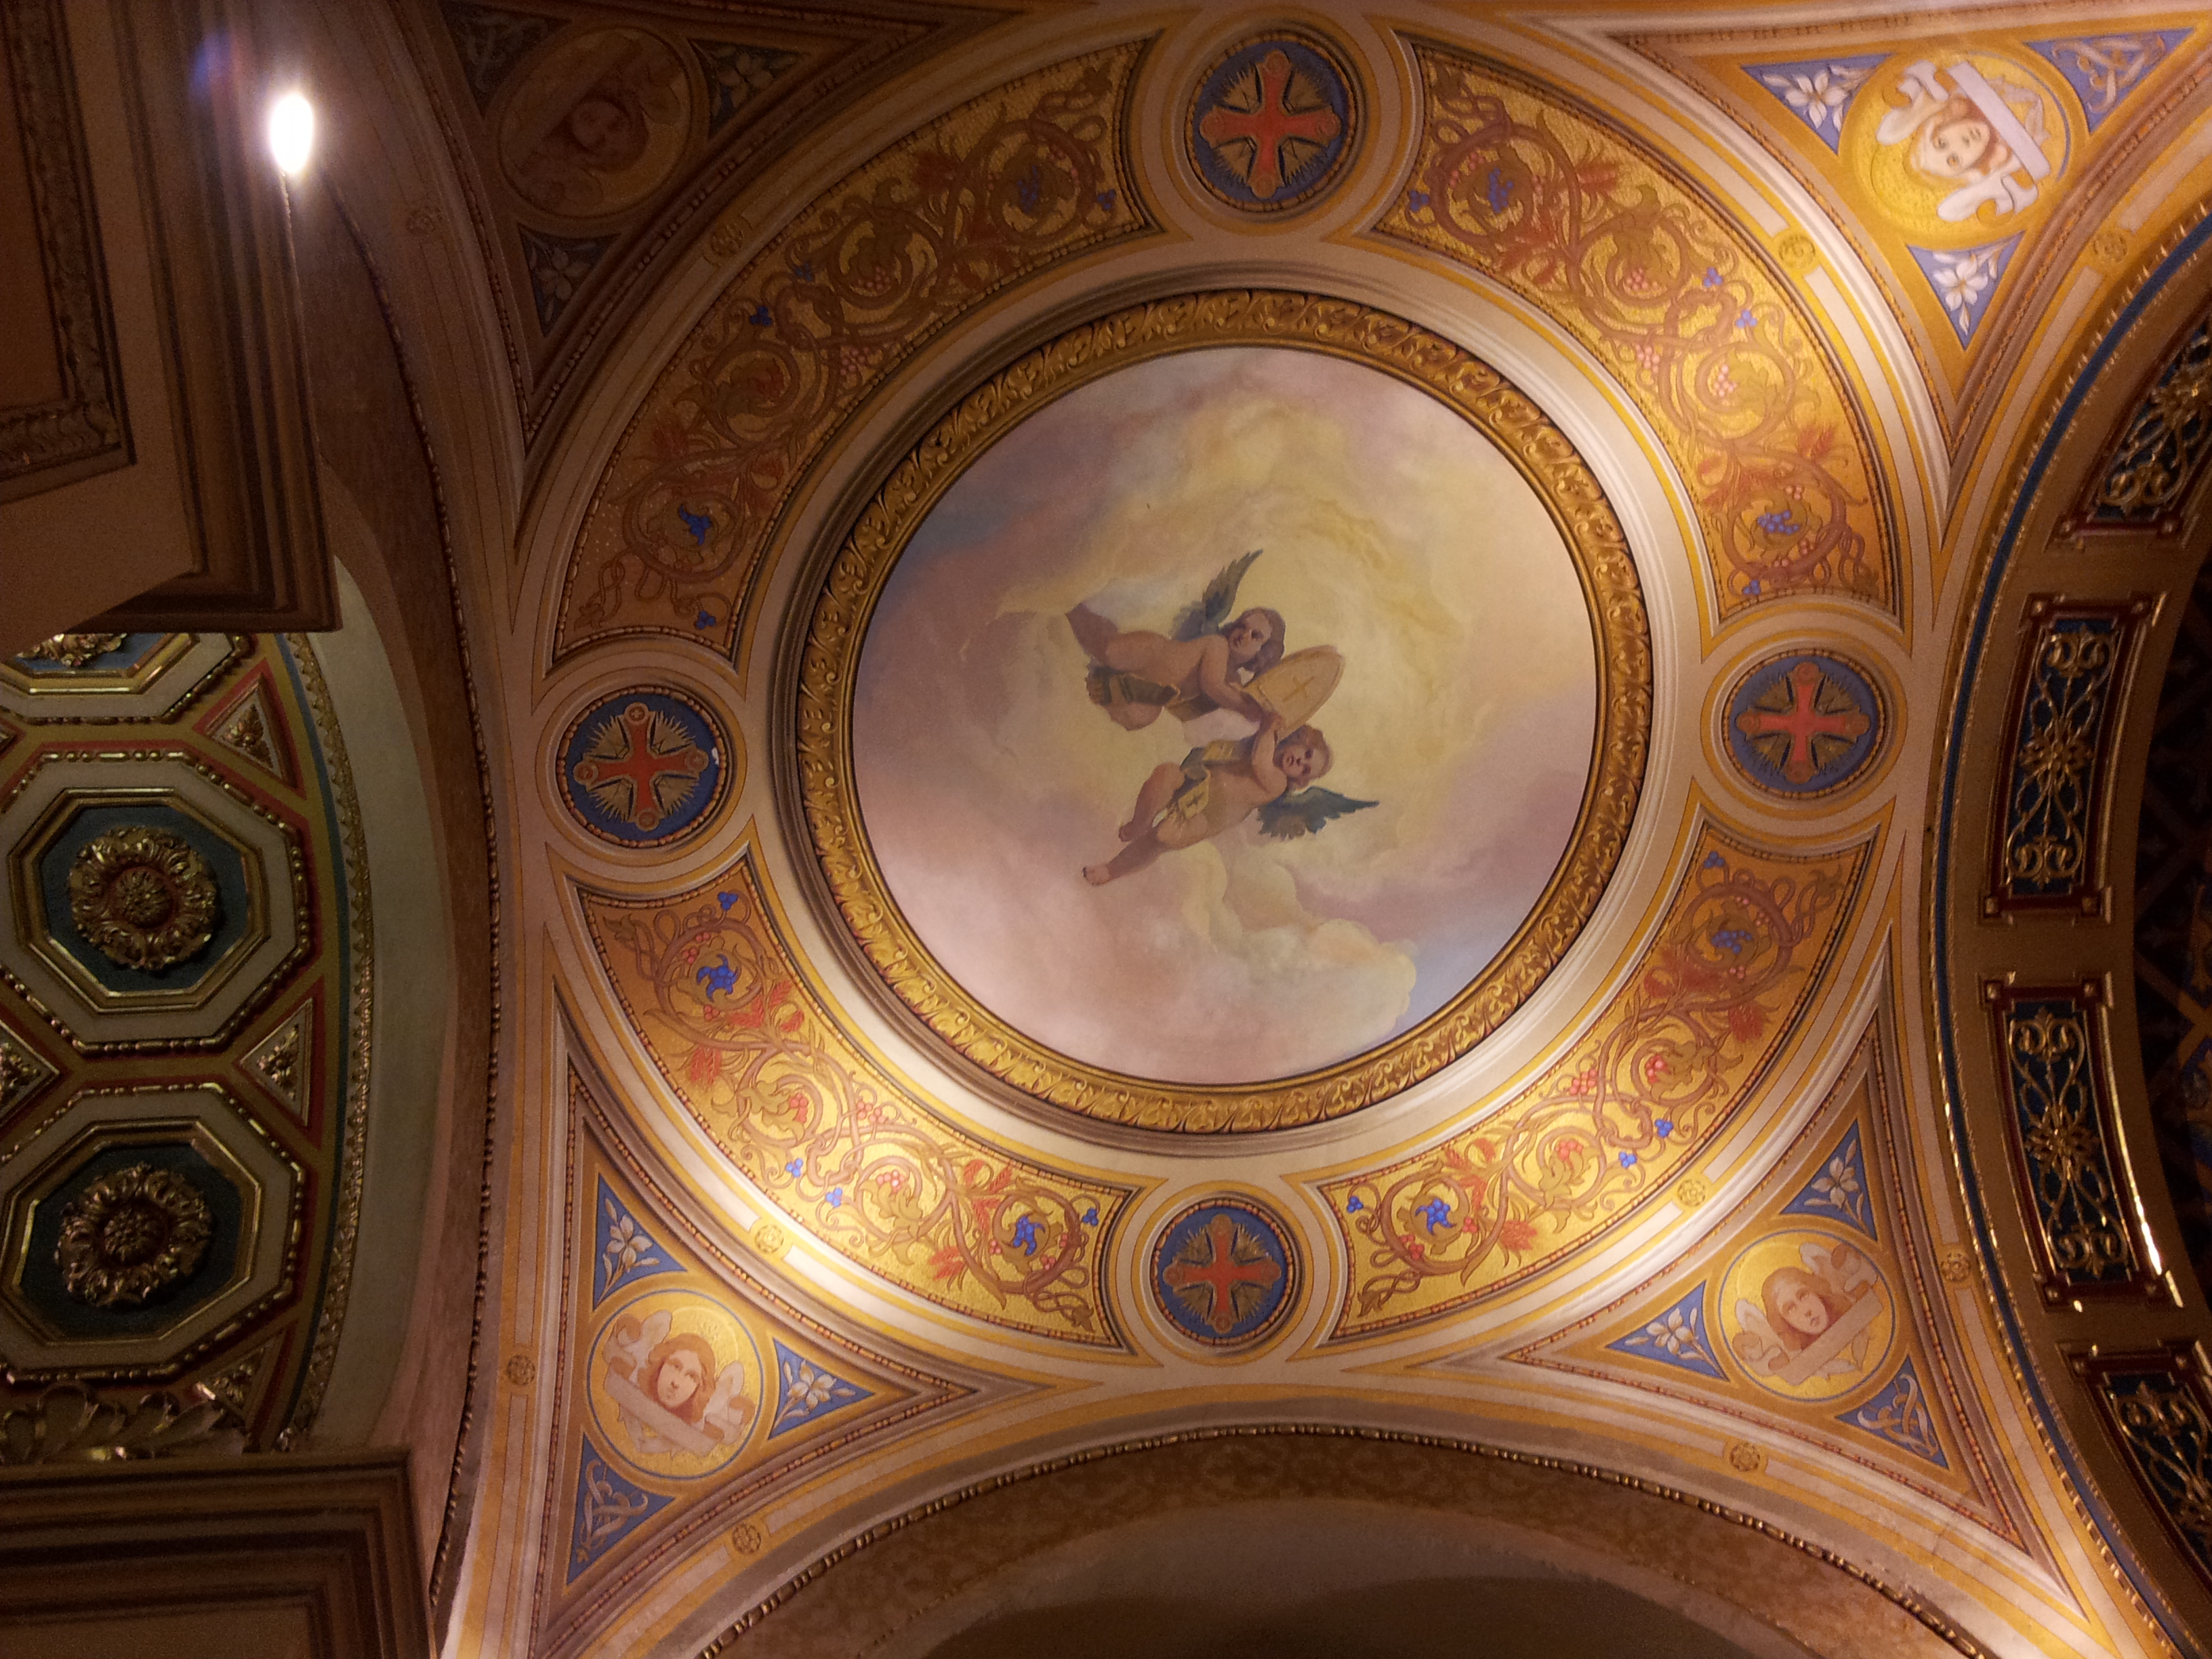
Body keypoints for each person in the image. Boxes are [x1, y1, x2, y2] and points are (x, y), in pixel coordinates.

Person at [1084, 711, 1327, 884]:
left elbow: (1259, 761)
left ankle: (1111, 870)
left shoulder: (1278, 782)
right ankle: (1139, 823)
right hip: (1198, 782)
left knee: (1162, 836)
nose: (1300, 762)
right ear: (1301, 741)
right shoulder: (1261, 744)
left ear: (1300, 780)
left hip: (1207, 817)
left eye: (1305, 769)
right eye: (1307, 753)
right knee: (1165, 776)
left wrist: (1268, 728)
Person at [1068, 601, 1284, 730]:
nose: (1244, 635)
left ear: (1263, 653)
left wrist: (1261, 712)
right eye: (1242, 626)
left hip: (1149, 688)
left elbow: (1230, 697)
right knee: (1109, 650)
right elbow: (1212, 685)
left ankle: (1105, 680)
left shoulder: (1234, 681)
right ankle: (1070, 605)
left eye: (1255, 636)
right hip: (1151, 654)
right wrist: (1246, 708)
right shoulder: (1217, 645)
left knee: (1139, 717)